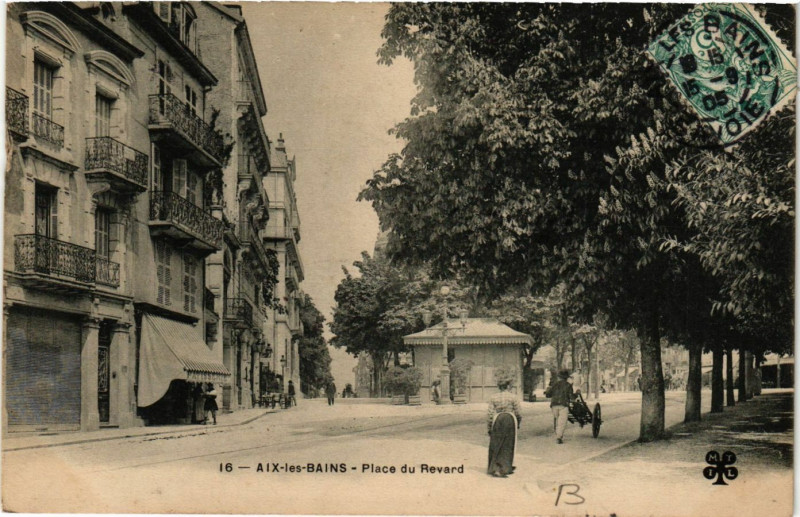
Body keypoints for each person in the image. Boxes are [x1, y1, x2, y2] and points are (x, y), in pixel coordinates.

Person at [486, 380, 521, 477]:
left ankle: (495, 468)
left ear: (499, 387)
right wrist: (518, 422)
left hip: (498, 419)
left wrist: (489, 427)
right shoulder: (513, 397)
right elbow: (518, 412)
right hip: (510, 419)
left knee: (496, 443)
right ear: (508, 386)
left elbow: (489, 414)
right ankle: (505, 467)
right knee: (508, 444)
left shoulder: (493, 397)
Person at [545, 369, 574, 444]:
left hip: (554, 405)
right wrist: (576, 394)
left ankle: (558, 433)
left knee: (557, 419)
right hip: (563, 405)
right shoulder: (568, 385)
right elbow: (572, 397)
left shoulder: (554, 384)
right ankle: (559, 437)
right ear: (566, 377)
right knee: (562, 422)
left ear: (559, 377)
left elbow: (548, 395)